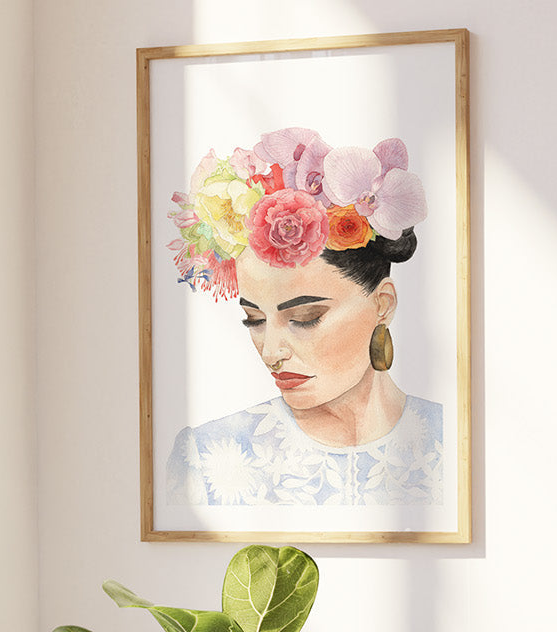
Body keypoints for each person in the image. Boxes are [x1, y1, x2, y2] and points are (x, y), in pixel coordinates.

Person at [164, 127, 443, 508]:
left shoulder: (455, 442)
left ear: (383, 304)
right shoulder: (206, 457)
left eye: (305, 317)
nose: (271, 352)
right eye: (253, 320)